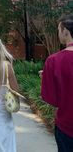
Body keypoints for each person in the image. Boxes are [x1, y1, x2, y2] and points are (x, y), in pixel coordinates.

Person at [41, 14, 73, 152]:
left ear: (65, 31)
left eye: (59, 30)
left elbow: (51, 99)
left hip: (67, 126)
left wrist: (46, 78)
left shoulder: (54, 61)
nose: (58, 34)